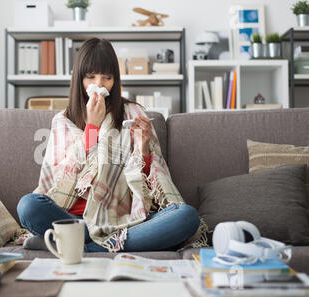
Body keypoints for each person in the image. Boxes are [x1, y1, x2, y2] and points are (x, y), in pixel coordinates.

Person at [17, 38, 204, 253]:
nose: (100, 83)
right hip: (72, 218)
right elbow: (59, 182)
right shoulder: (63, 121)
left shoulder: (134, 113)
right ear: (79, 78)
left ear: (116, 79)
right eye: (91, 77)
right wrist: (92, 128)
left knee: (186, 216)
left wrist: (144, 151)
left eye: (107, 77)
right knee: (28, 206)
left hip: (125, 220)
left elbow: (150, 191)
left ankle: (77, 245)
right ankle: (95, 241)